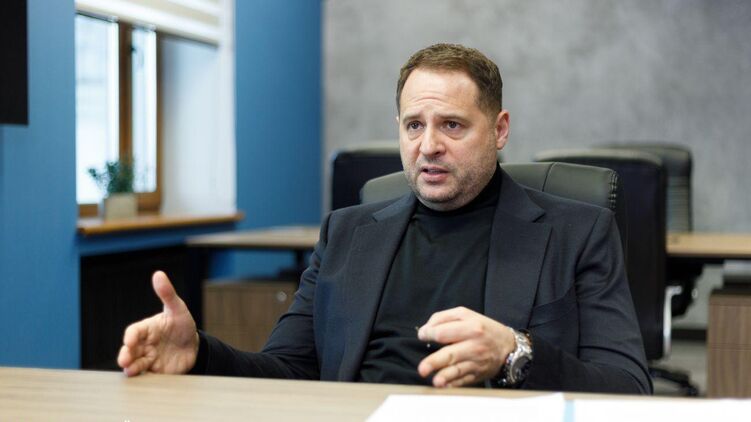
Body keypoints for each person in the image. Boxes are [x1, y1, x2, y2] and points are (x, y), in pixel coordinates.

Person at [118, 43, 652, 394]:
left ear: (499, 130)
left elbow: (628, 389)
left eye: (452, 125)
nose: (429, 145)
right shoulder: (346, 234)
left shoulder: (578, 233)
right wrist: (201, 353)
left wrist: (515, 354)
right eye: (414, 125)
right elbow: (289, 372)